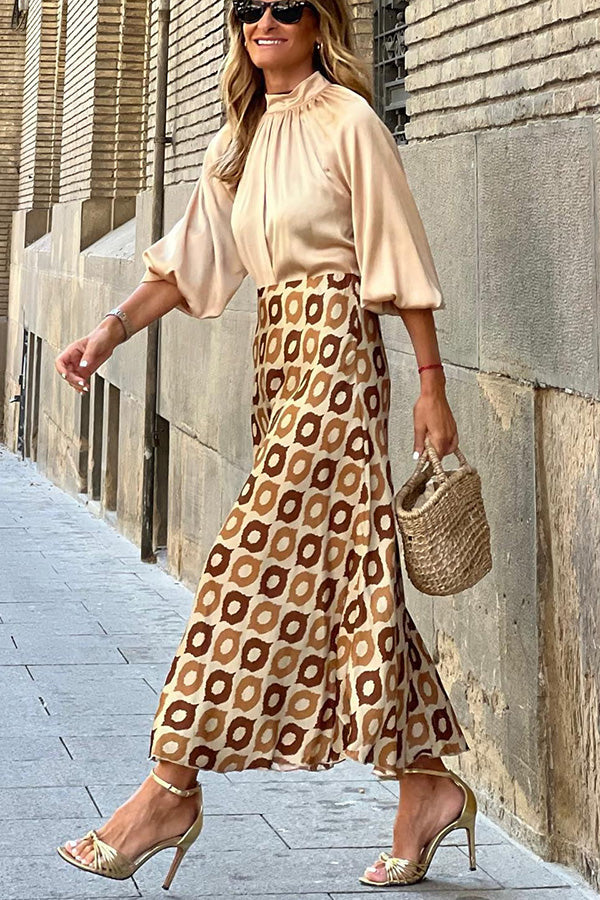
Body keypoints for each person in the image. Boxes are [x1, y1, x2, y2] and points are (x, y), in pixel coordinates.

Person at [54, 0, 478, 889]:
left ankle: (170, 786)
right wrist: (108, 332)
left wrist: (432, 385)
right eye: (250, 6)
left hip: (337, 352)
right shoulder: (238, 138)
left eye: (288, 6)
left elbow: (399, 255)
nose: (265, 19)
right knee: (349, 571)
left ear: (319, 22)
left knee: (249, 562)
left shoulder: (350, 121)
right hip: (277, 353)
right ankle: (428, 787)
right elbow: (189, 263)